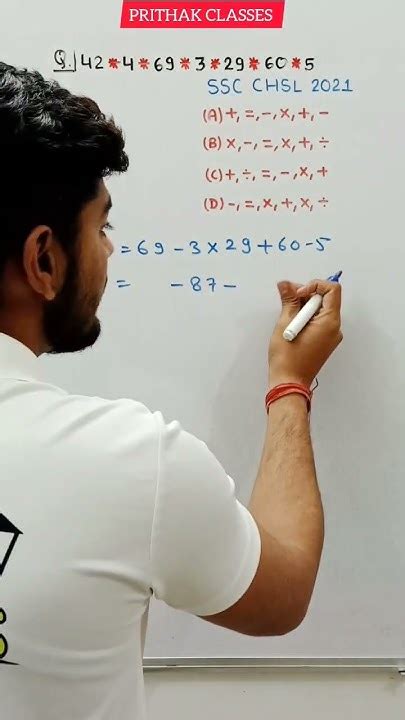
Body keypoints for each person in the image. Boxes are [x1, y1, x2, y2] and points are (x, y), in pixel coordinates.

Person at [0, 62, 342, 719]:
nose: (109, 251)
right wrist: (289, 384)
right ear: (43, 259)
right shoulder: (128, 460)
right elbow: (281, 591)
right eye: (101, 227)